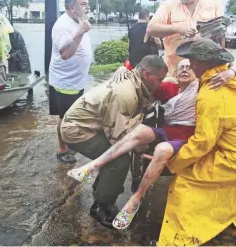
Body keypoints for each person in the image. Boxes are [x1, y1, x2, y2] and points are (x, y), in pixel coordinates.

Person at [158, 38, 236, 245]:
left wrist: (174, 165)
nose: (191, 65)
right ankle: (224, 217)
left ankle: (180, 238)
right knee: (221, 180)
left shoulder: (210, 94)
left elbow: (203, 142)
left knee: (186, 182)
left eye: (194, 61)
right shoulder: (233, 80)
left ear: (207, 63)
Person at [61, 55, 168, 229]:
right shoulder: (126, 92)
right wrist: (143, 145)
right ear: (147, 74)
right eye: (159, 79)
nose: (161, 83)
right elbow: (118, 139)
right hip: (77, 130)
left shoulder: (134, 80)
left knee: (119, 156)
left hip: (92, 126)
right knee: (119, 159)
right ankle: (101, 207)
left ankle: (102, 188)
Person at [146, 0, 225, 76]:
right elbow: (150, 29)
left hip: (205, 70)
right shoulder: (170, 3)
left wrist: (202, 38)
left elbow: (221, 32)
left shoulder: (214, 1)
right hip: (175, 71)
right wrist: (176, 28)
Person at [48, 0, 92, 164]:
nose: (87, 7)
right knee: (65, 117)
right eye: (83, 4)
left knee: (71, 115)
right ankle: (61, 149)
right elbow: (65, 54)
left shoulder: (79, 20)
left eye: (87, 4)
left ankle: (69, 144)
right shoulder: (62, 26)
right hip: (65, 82)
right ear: (71, 8)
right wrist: (80, 31)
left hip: (76, 80)